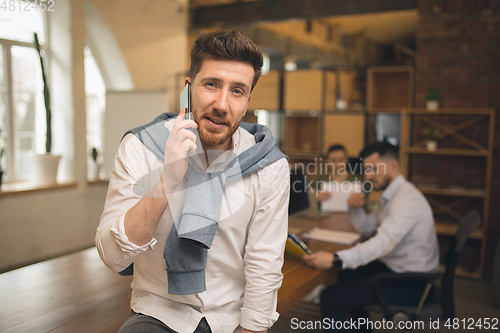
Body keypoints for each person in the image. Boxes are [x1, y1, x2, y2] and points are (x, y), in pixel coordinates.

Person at [96, 29, 290, 333]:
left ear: (248, 100)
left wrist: (252, 328)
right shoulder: (140, 147)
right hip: (157, 312)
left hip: (230, 317)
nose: (222, 104)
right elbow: (112, 256)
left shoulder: (269, 165)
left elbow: (264, 263)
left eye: (237, 91)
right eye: (211, 84)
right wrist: (167, 179)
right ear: (188, 88)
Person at [303, 141, 439, 332]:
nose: (368, 176)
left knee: (330, 296)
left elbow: (382, 244)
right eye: (366, 170)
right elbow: (367, 228)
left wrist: (337, 258)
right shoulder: (392, 195)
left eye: (374, 169)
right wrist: (354, 208)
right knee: (345, 274)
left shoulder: (406, 200)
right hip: (396, 269)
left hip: (412, 283)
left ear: (393, 165)